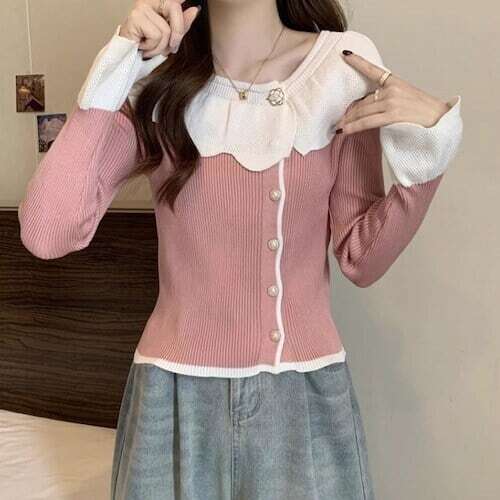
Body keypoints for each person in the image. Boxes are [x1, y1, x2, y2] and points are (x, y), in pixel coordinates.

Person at [17, 0, 463, 498]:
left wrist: (429, 156)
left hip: (303, 399)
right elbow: (47, 231)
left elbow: (362, 257)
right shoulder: (156, 82)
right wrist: (113, 71)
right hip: (172, 400)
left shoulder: (340, 68)